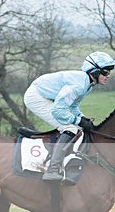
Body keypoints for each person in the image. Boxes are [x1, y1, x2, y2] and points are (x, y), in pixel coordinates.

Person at [24, 51, 115, 181]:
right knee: (70, 128)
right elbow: (58, 110)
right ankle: (52, 170)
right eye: (105, 72)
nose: (108, 76)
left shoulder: (87, 84)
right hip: (36, 97)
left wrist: (83, 118)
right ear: (94, 72)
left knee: (79, 127)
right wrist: (78, 120)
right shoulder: (79, 85)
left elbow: (72, 106)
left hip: (47, 96)